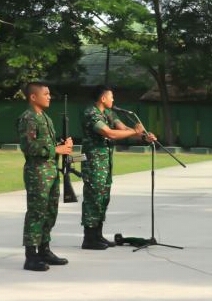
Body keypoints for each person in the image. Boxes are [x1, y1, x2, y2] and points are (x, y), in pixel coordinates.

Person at [80, 86, 158, 249]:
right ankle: (89, 238)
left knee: (103, 198)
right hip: (93, 162)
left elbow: (122, 129)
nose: (113, 100)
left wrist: (144, 136)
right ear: (103, 98)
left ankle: (98, 235)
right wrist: (134, 133)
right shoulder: (91, 113)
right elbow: (110, 133)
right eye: (111, 97)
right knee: (93, 198)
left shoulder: (108, 113)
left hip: (105, 162)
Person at [18, 82, 74, 271]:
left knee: (50, 211)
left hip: (51, 171)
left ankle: (44, 249)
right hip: (37, 173)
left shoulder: (46, 118)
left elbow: (47, 143)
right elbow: (28, 147)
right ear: (33, 97)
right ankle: (31, 255)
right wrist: (56, 149)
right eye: (46, 94)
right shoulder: (29, 118)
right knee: (36, 212)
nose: (49, 96)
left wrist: (63, 144)